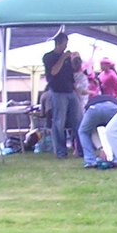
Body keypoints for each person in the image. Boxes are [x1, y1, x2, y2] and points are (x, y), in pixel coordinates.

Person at [41, 31, 81, 159]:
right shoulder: (48, 57)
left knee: (78, 120)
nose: (66, 46)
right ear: (58, 44)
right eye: (64, 44)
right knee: (59, 122)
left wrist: (77, 92)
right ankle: (61, 151)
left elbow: (71, 75)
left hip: (70, 92)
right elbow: (53, 72)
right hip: (57, 92)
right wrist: (62, 58)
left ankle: (80, 149)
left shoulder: (68, 59)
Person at [77, 90, 117, 168]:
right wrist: (101, 148)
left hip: (93, 109)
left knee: (84, 132)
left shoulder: (91, 101)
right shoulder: (114, 99)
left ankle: (90, 160)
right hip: (112, 107)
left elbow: (92, 132)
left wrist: (101, 148)